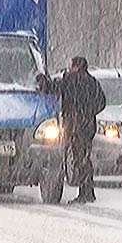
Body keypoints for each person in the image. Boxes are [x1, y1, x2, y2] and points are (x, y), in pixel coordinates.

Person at [37, 57, 106, 204]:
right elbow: (102, 102)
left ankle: (85, 193)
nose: (69, 68)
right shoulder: (92, 82)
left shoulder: (71, 80)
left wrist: (42, 81)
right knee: (85, 159)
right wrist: (89, 112)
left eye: (71, 65)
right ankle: (88, 191)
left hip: (75, 125)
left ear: (76, 66)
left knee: (79, 159)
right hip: (88, 125)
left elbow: (53, 88)